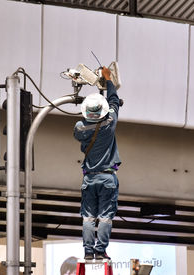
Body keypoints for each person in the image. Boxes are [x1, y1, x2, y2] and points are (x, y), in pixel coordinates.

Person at [73, 67, 121, 260]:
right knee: (105, 217)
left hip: (89, 179)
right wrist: (108, 79)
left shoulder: (80, 128)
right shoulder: (109, 123)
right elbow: (114, 101)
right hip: (108, 178)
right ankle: (100, 251)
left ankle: (88, 252)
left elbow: (82, 129)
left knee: (88, 217)